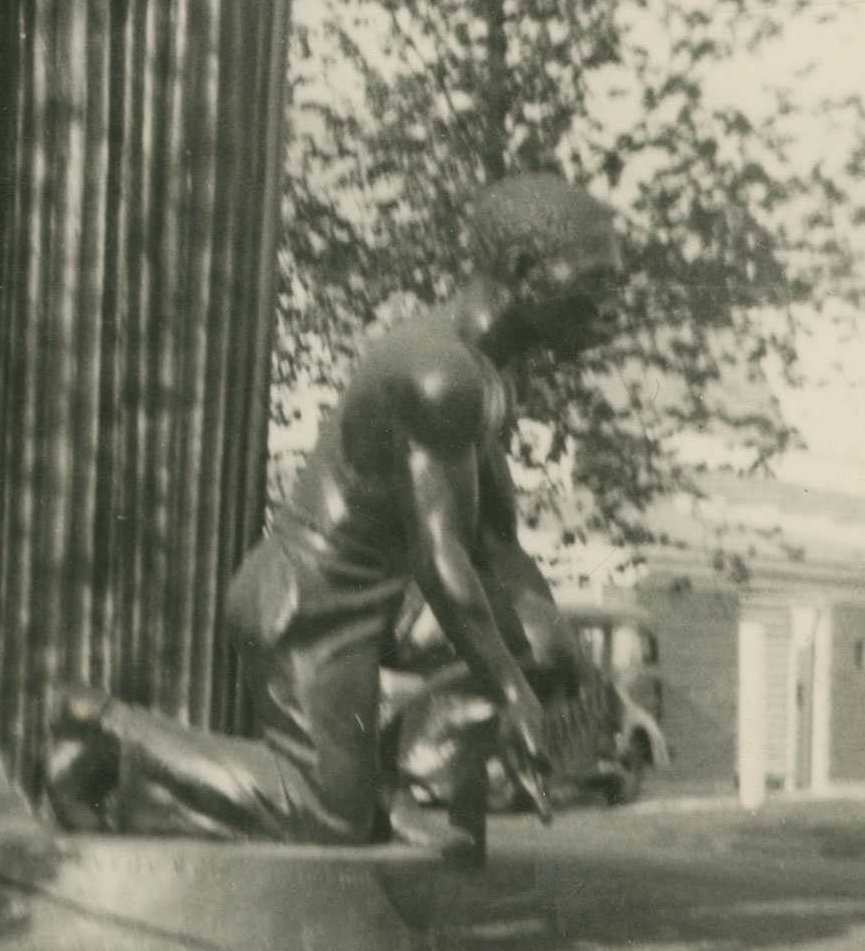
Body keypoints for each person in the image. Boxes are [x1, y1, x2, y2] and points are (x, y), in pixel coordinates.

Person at [44, 172, 624, 860]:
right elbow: (443, 562)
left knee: (544, 647)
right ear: (525, 272)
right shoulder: (437, 373)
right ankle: (102, 730)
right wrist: (511, 691)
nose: (609, 305)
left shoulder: (488, 376)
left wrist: (554, 657)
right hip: (308, 607)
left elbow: (495, 543)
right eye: (594, 282)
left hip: (372, 606)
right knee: (325, 817)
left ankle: (414, 786)